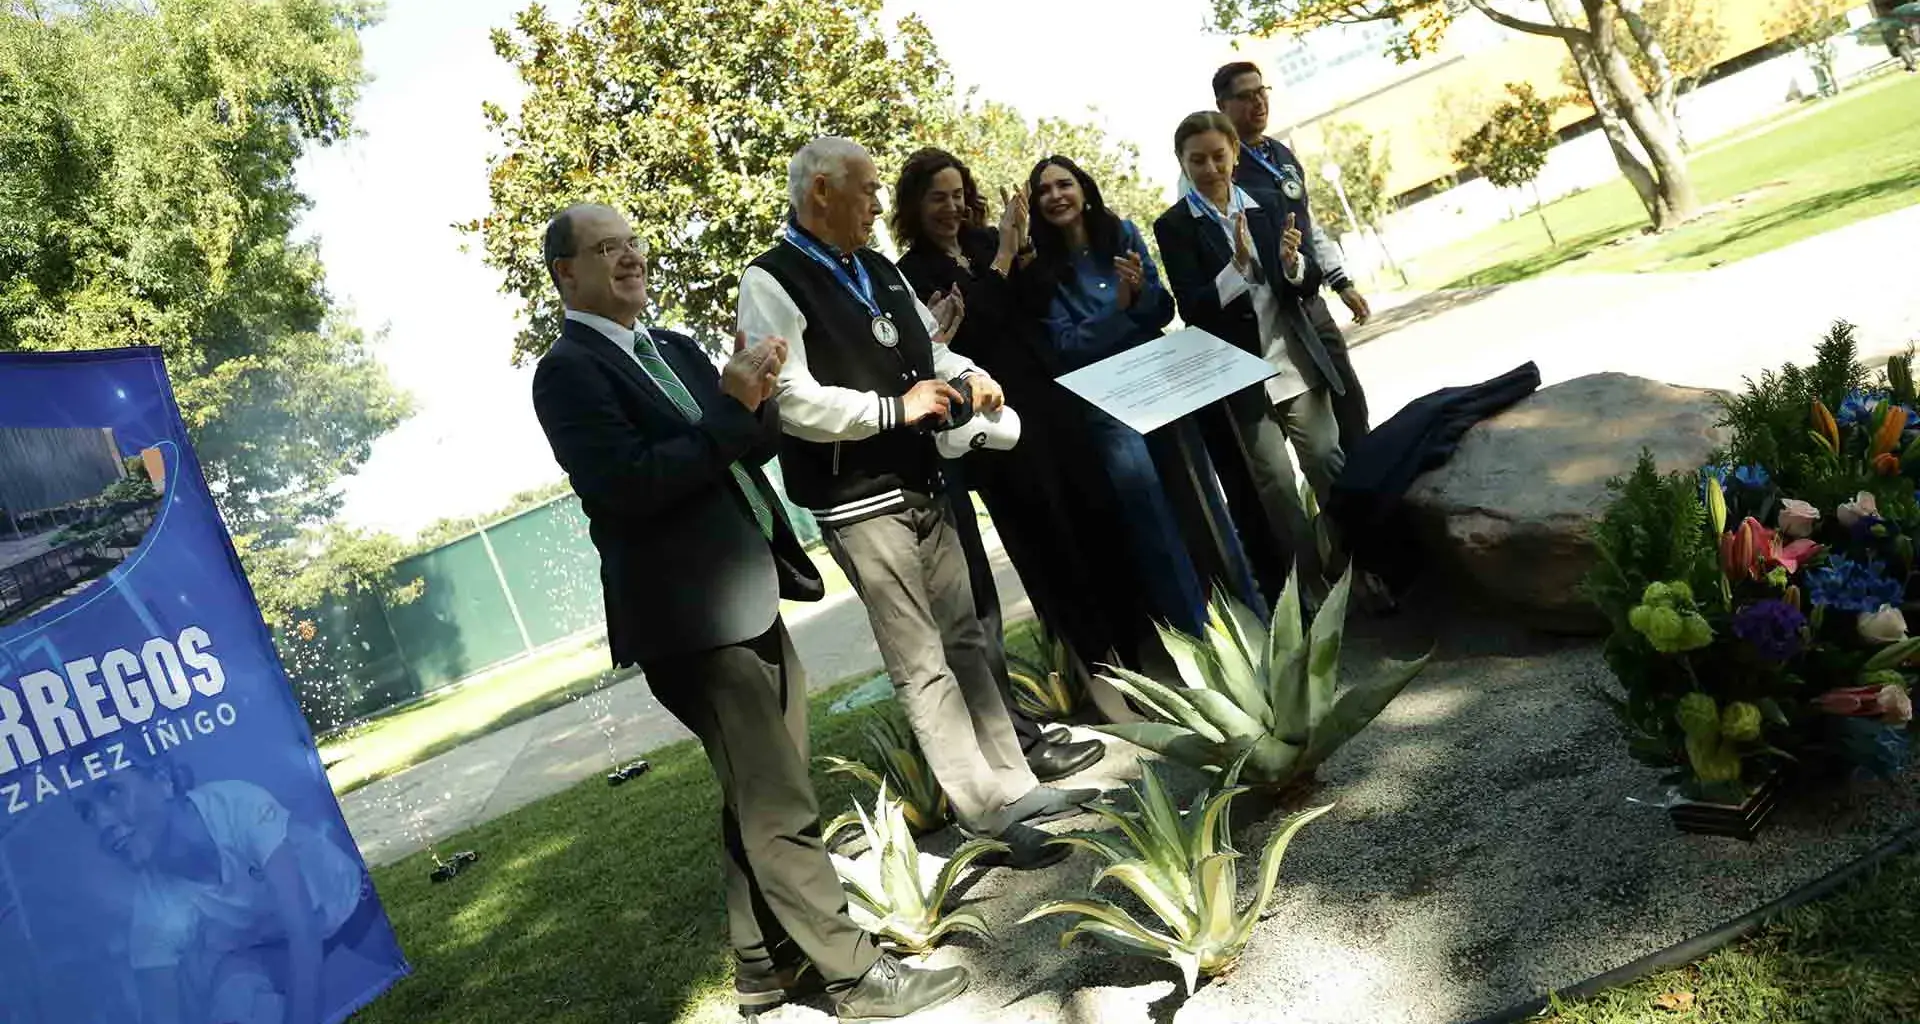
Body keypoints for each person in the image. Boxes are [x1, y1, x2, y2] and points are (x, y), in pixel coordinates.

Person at [531, 202, 967, 1020]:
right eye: (607, 248)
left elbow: (750, 444)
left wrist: (756, 398)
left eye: (634, 241)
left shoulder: (673, 348)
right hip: (689, 622)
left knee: (759, 791)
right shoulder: (567, 373)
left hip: (748, 593)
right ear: (566, 273)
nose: (631, 257)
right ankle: (854, 977)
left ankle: (763, 967)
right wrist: (731, 408)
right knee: (779, 804)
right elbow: (628, 488)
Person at [737, 138, 1095, 867]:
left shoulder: (870, 267)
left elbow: (928, 350)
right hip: (857, 500)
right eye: (866, 190)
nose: (876, 203)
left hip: (923, 477)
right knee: (922, 661)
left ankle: (1018, 785)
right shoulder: (770, 280)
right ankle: (987, 815)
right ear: (820, 196)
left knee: (965, 639)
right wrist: (892, 412)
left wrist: (972, 372)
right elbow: (792, 399)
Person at [890, 147, 1114, 780]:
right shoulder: (914, 272)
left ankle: (1123, 656)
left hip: (1050, 407)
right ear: (915, 205)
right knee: (1041, 550)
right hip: (994, 437)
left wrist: (1016, 254)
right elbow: (979, 320)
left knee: (1085, 531)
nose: (953, 207)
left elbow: (1036, 299)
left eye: (959, 194)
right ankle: (1094, 678)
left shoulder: (991, 240)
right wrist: (1006, 259)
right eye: (938, 196)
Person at [1020, 154, 1265, 642]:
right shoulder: (1039, 269)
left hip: (1161, 383)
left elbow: (1161, 307)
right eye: (1043, 190)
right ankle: (1197, 638)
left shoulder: (1123, 234)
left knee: (1203, 501)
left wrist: (1137, 304)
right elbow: (1064, 347)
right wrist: (1121, 310)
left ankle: (1254, 617)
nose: (1055, 196)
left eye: (1064, 184)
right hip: (1106, 403)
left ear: (1084, 189)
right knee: (1151, 520)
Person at [1154, 111, 1344, 605]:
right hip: (1240, 374)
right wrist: (1236, 269)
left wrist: (1292, 264)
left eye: (1220, 156)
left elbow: (1305, 280)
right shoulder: (1175, 226)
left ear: (1235, 154)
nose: (1211, 168)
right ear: (1182, 163)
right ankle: (1313, 590)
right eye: (1198, 160)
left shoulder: (1268, 203)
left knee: (1326, 462)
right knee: (1278, 491)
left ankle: (1354, 569)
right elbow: (1192, 307)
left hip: (1294, 358)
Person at [70, 753, 372, 1024]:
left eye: (111, 792)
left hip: (348, 907)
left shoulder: (237, 805)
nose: (102, 823)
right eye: (87, 813)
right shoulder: (152, 909)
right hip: (274, 950)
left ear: (162, 780)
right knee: (233, 992)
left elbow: (303, 930)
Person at [1215, 61, 1373, 457]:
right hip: (1268, 317)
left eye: (1261, 91)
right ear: (1223, 106)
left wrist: (1341, 281)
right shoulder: (1221, 165)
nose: (1258, 102)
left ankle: (1377, 487)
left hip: (1307, 298)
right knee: (1302, 429)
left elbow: (1309, 223)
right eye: (1245, 96)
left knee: (1348, 399)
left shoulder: (1281, 152)